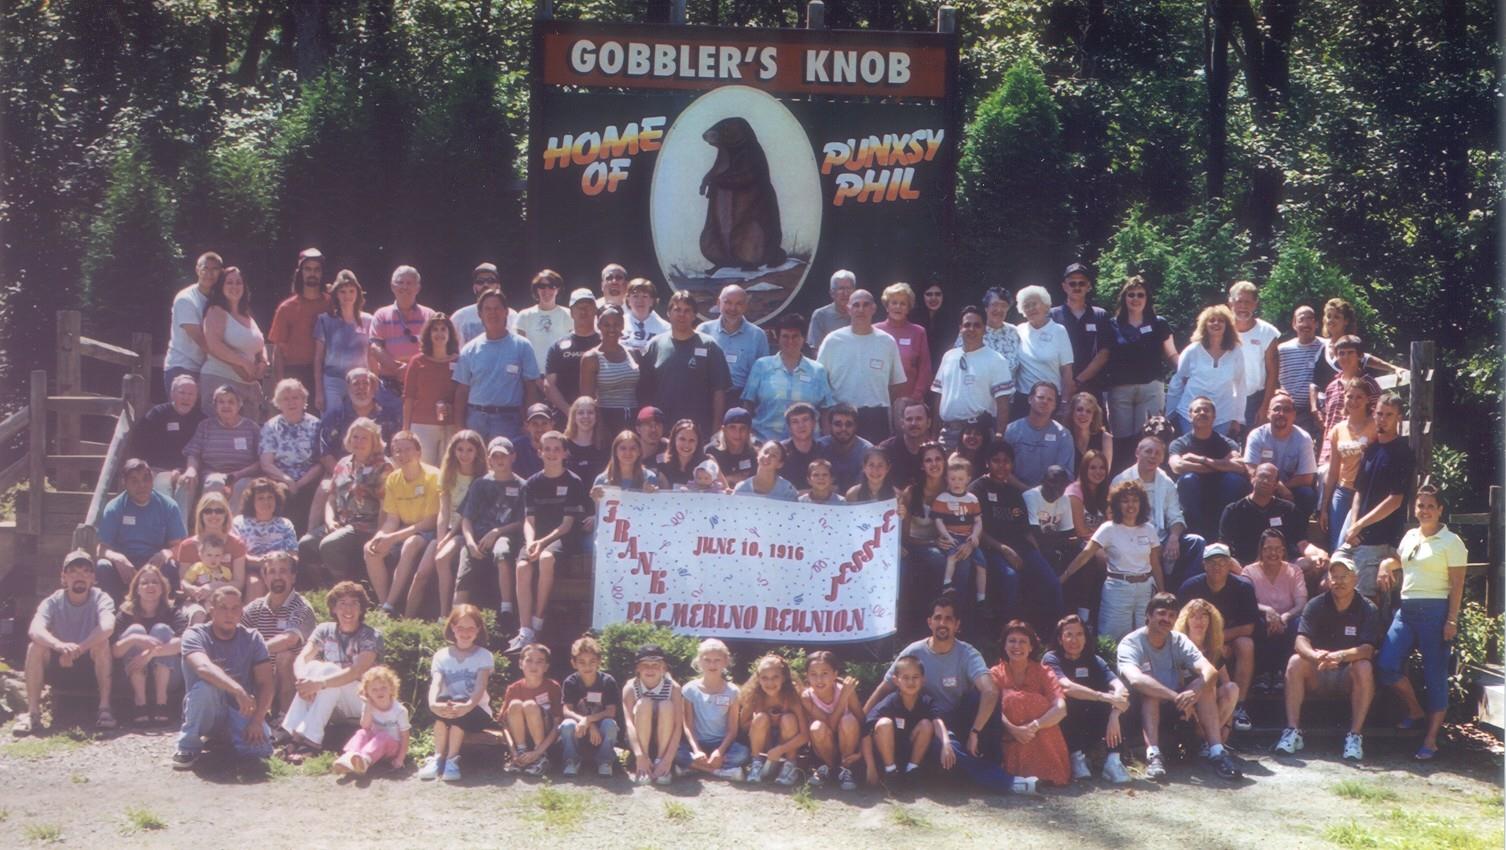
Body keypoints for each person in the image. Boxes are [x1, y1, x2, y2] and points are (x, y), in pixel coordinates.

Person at [864, 597, 1036, 795]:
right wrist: (862, 721)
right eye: (938, 618)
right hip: (930, 723)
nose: (942, 623)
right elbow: (884, 688)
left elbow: (990, 691)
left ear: (957, 624)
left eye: (948, 618)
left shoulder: (967, 653)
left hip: (962, 717)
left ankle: (992, 764)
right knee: (949, 750)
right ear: (930, 622)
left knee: (982, 698)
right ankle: (1008, 782)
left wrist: (975, 732)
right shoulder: (914, 651)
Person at [1377, 486, 1467, 760]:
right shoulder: (1410, 536)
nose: (1424, 511)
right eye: (1420, 506)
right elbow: (1402, 562)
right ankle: (1416, 711)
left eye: (1430, 506)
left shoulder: (1452, 542)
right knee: (1386, 665)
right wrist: (1385, 565)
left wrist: (1451, 619)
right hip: (1406, 610)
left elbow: (1457, 585)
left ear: (1440, 509)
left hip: (1435, 611)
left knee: (1435, 675)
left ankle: (1431, 739)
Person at [1116, 593, 1242, 780]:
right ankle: (1154, 755)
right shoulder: (1131, 642)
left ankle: (1216, 752)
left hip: (1177, 706)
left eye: (1171, 615)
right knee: (1150, 691)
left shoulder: (1179, 640)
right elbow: (1136, 680)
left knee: (1205, 686)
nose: (1166, 619)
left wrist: (1194, 692)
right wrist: (1175, 696)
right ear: (1148, 615)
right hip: (1139, 708)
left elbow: (1210, 671)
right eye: (1161, 613)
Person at [1274, 556, 1379, 761]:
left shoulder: (1368, 608)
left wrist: (1340, 656)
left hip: (1346, 674)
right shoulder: (1316, 604)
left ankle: (1355, 736)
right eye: (1335, 577)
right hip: (1318, 670)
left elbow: (1367, 649)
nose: (1339, 582)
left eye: (1345, 577)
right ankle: (1292, 731)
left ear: (1355, 579)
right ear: (1329, 580)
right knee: (1295, 662)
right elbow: (1300, 641)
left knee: (1364, 667)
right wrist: (1314, 656)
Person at [172, 586, 275, 768]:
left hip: (240, 709)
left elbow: (266, 682)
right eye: (223, 608)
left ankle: (224, 738)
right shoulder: (194, 634)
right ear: (212, 611)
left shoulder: (253, 638)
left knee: (261, 751)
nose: (230, 614)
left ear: (241, 611)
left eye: (235, 608)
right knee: (206, 687)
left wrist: (258, 720)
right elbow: (203, 667)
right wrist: (237, 690)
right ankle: (188, 746)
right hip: (207, 709)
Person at [17, 551, 117, 736]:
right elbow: (35, 629)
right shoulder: (53, 601)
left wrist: (79, 649)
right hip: (60, 663)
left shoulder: (101, 598)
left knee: (102, 644)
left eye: (86, 571)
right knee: (35, 647)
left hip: (89, 664)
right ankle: (32, 713)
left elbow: (107, 626)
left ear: (93, 578)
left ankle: (104, 709)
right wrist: (59, 646)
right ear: (64, 577)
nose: (80, 576)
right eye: (73, 571)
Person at [280, 581, 382, 759]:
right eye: (342, 603)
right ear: (334, 608)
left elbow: (356, 671)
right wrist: (304, 682)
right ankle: (296, 737)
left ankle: (310, 740)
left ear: (361, 609)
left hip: (362, 702)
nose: (348, 609)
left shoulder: (371, 636)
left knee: (327, 670)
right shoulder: (324, 630)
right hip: (331, 699)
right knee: (312, 667)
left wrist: (319, 684)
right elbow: (302, 658)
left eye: (354, 604)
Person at [973, 441, 1062, 633]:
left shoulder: (1014, 493)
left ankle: (1052, 635)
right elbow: (978, 531)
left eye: (1006, 461)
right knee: (1010, 577)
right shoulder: (978, 489)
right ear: (987, 463)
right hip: (991, 549)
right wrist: (1004, 550)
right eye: (996, 461)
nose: (1001, 466)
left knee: (1051, 581)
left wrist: (1038, 556)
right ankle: (1006, 634)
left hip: (1020, 547)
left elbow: (1026, 531)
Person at [1062, 480, 1165, 641]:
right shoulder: (1108, 528)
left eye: (1135, 500)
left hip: (1145, 590)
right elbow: (1085, 555)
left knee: (1145, 638)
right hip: (1118, 589)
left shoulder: (1149, 529)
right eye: (1125, 501)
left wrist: (1161, 591)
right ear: (1117, 504)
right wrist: (1064, 576)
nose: (1130, 505)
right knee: (1111, 639)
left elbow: (1156, 565)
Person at [516, 431, 590, 650]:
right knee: (522, 567)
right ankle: (525, 629)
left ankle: (538, 620)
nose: (552, 453)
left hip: (562, 539)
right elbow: (528, 520)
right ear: (539, 452)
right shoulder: (531, 483)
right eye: (547, 449)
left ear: (565, 453)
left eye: (557, 449)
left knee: (546, 558)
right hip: (536, 538)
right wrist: (530, 541)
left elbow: (566, 525)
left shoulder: (574, 481)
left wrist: (541, 543)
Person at [1177, 542, 1261, 733]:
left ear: (1230, 564)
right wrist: (1211, 642)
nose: (1217, 567)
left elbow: (1249, 626)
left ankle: (1239, 707)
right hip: (1195, 641)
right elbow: (1180, 625)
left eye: (1223, 562)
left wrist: (1217, 639)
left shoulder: (1243, 587)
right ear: (1204, 565)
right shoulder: (1190, 587)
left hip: (1227, 638)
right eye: (1212, 562)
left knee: (1246, 644)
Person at [1338, 393, 1413, 602]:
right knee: (1331, 578)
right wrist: (1353, 527)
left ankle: (1370, 635)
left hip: (1380, 539)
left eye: (1389, 415)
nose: (1383, 419)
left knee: (1364, 598)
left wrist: (1360, 525)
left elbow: (1395, 500)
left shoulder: (1402, 452)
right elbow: (1359, 491)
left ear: (1399, 418)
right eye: (1379, 414)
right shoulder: (1371, 449)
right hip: (1356, 537)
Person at [297, 418, 391, 584]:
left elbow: (386, 506)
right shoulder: (343, 463)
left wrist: (379, 534)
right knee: (305, 544)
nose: (359, 442)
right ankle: (320, 585)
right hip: (340, 522)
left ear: (374, 442)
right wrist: (329, 520)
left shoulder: (383, 467)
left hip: (366, 526)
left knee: (330, 545)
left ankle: (344, 585)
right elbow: (331, 497)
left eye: (364, 438)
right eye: (355, 437)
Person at [1042, 614, 1131, 783]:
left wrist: (1114, 714)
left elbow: (1121, 687)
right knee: (1068, 701)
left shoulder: (1094, 659)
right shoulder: (1051, 658)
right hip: (1064, 720)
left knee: (1120, 703)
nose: (1074, 640)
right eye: (1069, 635)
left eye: (1079, 634)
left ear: (1085, 637)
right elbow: (1066, 686)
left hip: (1091, 720)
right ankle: (1076, 757)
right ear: (1060, 639)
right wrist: (1104, 697)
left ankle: (1113, 761)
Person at [405, 429, 484, 619]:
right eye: (460, 450)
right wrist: (441, 537)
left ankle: (444, 616)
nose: (464, 455)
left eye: (469, 450)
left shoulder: (480, 478)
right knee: (421, 573)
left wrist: (447, 539)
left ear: (477, 452)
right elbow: (444, 510)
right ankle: (406, 619)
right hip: (445, 529)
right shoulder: (449, 473)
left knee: (442, 558)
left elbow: (467, 514)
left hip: (465, 531)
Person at [1112, 435, 1205, 586]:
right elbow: (1114, 519)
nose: (1153, 456)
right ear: (1137, 453)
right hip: (1132, 539)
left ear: (1162, 458)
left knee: (1196, 543)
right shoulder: (1122, 480)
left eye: (1158, 453)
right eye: (1148, 451)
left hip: (1162, 539)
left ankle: (1183, 594)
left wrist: (1174, 537)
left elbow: (1175, 516)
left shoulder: (1166, 482)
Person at [364, 430, 439, 615]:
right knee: (370, 549)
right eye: (397, 451)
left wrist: (394, 537)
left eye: (407, 450)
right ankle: (384, 604)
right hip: (404, 528)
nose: (402, 455)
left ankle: (391, 604)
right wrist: (381, 535)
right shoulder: (393, 479)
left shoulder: (433, 476)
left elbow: (430, 522)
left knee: (410, 544)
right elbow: (392, 519)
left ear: (418, 452)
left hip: (428, 530)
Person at [453, 290, 543, 445]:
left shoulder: (522, 346)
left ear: (506, 312)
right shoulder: (469, 349)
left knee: (504, 467)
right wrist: (459, 427)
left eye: (497, 308)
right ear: (480, 314)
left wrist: (529, 423)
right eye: (487, 309)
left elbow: (531, 388)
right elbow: (461, 391)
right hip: (476, 420)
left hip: (508, 420)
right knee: (476, 468)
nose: (492, 313)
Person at [638, 290, 732, 437]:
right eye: (677, 310)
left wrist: (716, 428)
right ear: (668, 313)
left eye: (687, 311)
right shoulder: (655, 345)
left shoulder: (709, 345)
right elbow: (645, 391)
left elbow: (719, 391)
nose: (682, 314)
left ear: (694, 315)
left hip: (699, 430)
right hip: (662, 430)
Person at [817, 288, 906, 443]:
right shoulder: (832, 341)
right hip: (842, 417)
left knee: (876, 465)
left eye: (866, 305)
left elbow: (895, 385)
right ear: (848, 309)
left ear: (874, 309)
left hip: (877, 417)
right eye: (856, 305)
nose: (861, 309)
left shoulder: (887, 342)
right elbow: (820, 382)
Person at [454, 436, 526, 624]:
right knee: (465, 561)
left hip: (506, 536)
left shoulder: (522, 486)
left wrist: (497, 532)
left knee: (502, 550)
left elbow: (522, 521)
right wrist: (469, 542)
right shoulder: (479, 484)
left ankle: (506, 609)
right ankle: (454, 616)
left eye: (504, 456)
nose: (499, 460)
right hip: (478, 537)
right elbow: (467, 518)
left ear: (513, 457)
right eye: (495, 457)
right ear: (489, 459)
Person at [418, 605, 495, 782]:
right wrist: (433, 704)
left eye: (470, 628)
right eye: (460, 627)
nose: (465, 632)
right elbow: (436, 683)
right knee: (443, 700)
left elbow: (480, 687)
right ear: (453, 628)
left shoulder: (484, 655)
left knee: (459, 700)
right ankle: (438, 758)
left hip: (477, 711)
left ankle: (452, 760)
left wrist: (467, 706)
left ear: (478, 630)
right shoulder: (441, 655)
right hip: (449, 708)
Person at [95, 458, 188, 603]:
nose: (142, 485)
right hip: (125, 567)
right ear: (124, 483)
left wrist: (165, 553)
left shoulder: (168, 506)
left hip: (154, 564)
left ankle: (164, 613)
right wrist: (116, 558)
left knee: (171, 565)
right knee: (103, 566)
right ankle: (114, 614)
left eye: (146, 478)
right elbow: (101, 549)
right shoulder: (114, 507)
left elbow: (179, 546)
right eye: (134, 481)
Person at [991, 620, 1070, 787]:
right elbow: (989, 708)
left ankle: (1045, 772)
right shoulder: (995, 673)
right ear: (1004, 645)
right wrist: (1013, 729)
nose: (1016, 646)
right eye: (1012, 641)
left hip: (1040, 735)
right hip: (1009, 735)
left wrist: (1034, 726)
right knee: (1013, 700)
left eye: (1022, 642)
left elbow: (1061, 708)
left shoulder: (1044, 671)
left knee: (1037, 704)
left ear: (1031, 647)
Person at [239, 552, 315, 718]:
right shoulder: (255, 608)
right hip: (263, 677)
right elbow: (235, 634)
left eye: (283, 571)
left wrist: (255, 651)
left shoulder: (302, 607)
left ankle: (285, 718)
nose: (277, 576)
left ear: (293, 577)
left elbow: (289, 640)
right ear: (264, 577)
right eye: (272, 572)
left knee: (284, 656)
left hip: (295, 681)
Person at [1102, 276, 1178, 443]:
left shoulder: (1159, 324)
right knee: (1121, 443)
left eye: (1140, 294)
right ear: (1124, 298)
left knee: (1149, 440)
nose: (1135, 298)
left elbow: (1171, 355)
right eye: (1131, 294)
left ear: (1147, 298)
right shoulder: (1112, 325)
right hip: (1120, 392)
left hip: (1151, 389)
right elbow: (1103, 357)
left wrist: (1186, 374)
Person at [111, 565, 188, 726]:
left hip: (169, 677)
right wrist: (134, 638)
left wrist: (150, 655)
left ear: (162, 588)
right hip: (131, 674)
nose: (150, 586)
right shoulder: (125, 614)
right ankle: (140, 704)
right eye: (144, 583)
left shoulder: (172, 612)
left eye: (155, 582)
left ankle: (162, 703)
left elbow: (184, 643)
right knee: (135, 629)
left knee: (161, 629)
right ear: (136, 589)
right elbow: (116, 652)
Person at [742, 312, 835, 442]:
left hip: (807, 446)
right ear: (778, 338)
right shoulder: (761, 366)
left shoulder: (817, 370)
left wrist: (826, 442)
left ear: (803, 338)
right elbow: (748, 404)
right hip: (765, 444)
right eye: (785, 336)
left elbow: (825, 410)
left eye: (795, 336)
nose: (790, 341)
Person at [1168, 396, 1250, 538]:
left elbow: (1239, 467)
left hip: (1221, 492)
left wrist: (1200, 459)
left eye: (1206, 410)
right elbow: (1177, 466)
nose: (1202, 413)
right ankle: (1196, 533)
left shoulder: (1228, 443)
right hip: (1193, 494)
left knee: (1234, 480)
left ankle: (1224, 532)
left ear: (1214, 416)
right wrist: (1220, 465)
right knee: (1188, 479)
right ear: (1190, 416)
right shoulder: (1179, 443)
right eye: (1197, 410)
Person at [933, 305, 1011, 449]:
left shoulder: (996, 360)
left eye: (977, 325)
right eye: (967, 325)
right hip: (948, 433)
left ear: (984, 329)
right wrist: (933, 434)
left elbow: (1003, 403)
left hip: (979, 433)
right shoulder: (949, 356)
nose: (971, 329)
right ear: (960, 328)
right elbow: (939, 395)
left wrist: (999, 435)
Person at [861, 653, 942, 789]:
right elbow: (865, 730)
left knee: (926, 724)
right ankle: (891, 773)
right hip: (887, 753)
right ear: (896, 680)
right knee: (884, 723)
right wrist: (870, 766)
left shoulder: (926, 701)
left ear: (923, 680)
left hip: (910, 751)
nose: (911, 682)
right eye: (905, 678)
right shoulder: (889, 702)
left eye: (915, 677)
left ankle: (912, 770)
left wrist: (946, 743)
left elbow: (938, 722)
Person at [133, 373, 205, 521]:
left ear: (196, 397)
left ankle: (179, 536)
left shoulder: (202, 420)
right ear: (172, 394)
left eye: (191, 394)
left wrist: (180, 470)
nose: (186, 397)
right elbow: (140, 444)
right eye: (182, 393)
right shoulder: (158, 414)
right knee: (163, 486)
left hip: (188, 471)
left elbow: (203, 452)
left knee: (185, 486)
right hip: (158, 469)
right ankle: (163, 536)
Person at [676, 638, 749, 781]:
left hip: (721, 744)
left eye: (717, 660)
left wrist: (719, 751)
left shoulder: (732, 691)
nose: (712, 664)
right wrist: (696, 750)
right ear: (699, 662)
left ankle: (692, 767)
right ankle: (718, 771)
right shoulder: (690, 689)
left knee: (743, 754)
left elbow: (732, 729)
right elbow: (688, 726)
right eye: (707, 660)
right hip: (696, 743)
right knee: (675, 751)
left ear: (725, 662)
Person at [1243, 529, 1309, 688]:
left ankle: (1282, 673)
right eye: (1268, 548)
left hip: (1288, 618)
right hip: (1262, 618)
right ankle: (1262, 674)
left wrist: (1284, 616)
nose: (1274, 553)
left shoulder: (1294, 571)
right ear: (1261, 550)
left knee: (1298, 623)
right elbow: (1247, 603)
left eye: (1278, 548)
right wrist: (1268, 611)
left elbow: (1301, 603)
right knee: (1256, 624)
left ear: (1284, 550)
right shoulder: (1248, 572)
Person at [1167, 304, 1245, 437]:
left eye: (1221, 320)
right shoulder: (1192, 350)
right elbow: (1178, 381)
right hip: (1190, 415)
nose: (1216, 323)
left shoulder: (1236, 351)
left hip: (1222, 416)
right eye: (1212, 320)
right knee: (1190, 454)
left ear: (1228, 325)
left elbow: (1240, 385)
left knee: (1217, 456)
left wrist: (1237, 418)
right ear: (1204, 325)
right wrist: (1169, 414)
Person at [1173, 599, 1242, 749]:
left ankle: (1209, 740)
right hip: (1186, 707)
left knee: (1232, 688)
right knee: (1207, 684)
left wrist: (1228, 726)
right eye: (1193, 616)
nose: (1199, 620)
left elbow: (1228, 686)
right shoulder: (1178, 648)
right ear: (1186, 620)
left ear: (1211, 620)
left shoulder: (1215, 650)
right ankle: (1210, 741)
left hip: (1212, 707)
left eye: (1204, 615)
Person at [1241, 390, 1318, 523]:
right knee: (1238, 484)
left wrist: (1281, 487)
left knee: (1306, 494)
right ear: (1268, 413)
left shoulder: (1304, 438)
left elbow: (1306, 478)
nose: (1281, 414)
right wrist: (1278, 487)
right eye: (1276, 409)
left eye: (1287, 410)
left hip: (1290, 488)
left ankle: (1298, 536)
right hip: (1261, 485)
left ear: (1294, 415)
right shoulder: (1257, 435)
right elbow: (1251, 468)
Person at [1319, 377, 1377, 551]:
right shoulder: (1338, 429)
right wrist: (1324, 506)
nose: (1354, 401)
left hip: (1365, 492)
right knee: (1337, 545)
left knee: (1356, 544)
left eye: (1359, 397)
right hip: (1342, 492)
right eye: (1350, 396)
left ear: (1367, 399)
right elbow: (1333, 470)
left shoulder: (1375, 426)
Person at [182, 384, 263, 509]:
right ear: (215, 406)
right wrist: (191, 469)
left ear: (239, 404)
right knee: (215, 482)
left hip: (243, 475)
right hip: (213, 473)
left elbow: (261, 461)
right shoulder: (205, 426)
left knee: (241, 486)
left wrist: (238, 474)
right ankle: (210, 524)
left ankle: (233, 527)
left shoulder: (252, 428)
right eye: (221, 402)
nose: (226, 406)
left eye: (231, 402)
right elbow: (193, 452)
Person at [258, 379, 322, 534]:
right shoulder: (271, 426)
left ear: (304, 400)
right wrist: (287, 480)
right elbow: (266, 463)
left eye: (295, 398)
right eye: (285, 399)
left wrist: (299, 483)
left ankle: (308, 542)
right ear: (278, 403)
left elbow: (320, 463)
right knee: (280, 493)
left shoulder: (316, 425)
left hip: (310, 478)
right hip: (280, 479)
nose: (291, 402)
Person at [740, 654, 810, 786]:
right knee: (760, 718)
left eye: (775, 677)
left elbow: (805, 735)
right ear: (758, 679)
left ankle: (790, 765)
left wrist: (780, 749)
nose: (770, 683)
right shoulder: (754, 696)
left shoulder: (793, 696)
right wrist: (767, 721)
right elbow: (743, 725)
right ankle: (757, 762)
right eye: (764, 678)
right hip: (764, 742)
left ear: (783, 678)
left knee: (788, 719)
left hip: (787, 744)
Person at [316, 368, 402, 475]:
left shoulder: (388, 415)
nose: (361, 388)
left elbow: (397, 448)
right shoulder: (335, 416)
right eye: (356, 384)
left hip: (381, 475)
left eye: (365, 383)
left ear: (372, 388)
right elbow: (325, 453)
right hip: (343, 474)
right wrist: (343, 476)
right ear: (348, 388)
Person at [313, 270, 376, 414]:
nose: (347, 296)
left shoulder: (368, 321)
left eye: (351, 291)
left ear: (358, 293)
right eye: (343, 291)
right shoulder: (324, 320)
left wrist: (373, 386)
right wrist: (319, 391)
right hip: (333, 382)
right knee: (332, 423)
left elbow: (371, 357)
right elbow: (318, 359)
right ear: (336, 294)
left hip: (361, 382)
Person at [622, 644, 685, 785]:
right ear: (637, 668)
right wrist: (640, 755)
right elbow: (629, 724)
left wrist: (667, 760)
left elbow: (678, 726)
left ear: (663, 668)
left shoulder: (674, 688)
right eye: (645, 665)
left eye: (655, 665)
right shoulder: (630, 687)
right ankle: (643, 765)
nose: (650, 669)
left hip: (663, 742)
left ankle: (660, 763)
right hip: (639, 742)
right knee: (644, 703)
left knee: (666, 705)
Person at [402, 313, 460, 465]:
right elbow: (408, 397)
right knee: (423, 468)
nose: (439, 333)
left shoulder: (459, 361)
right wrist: (405, 430)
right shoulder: (417, 362)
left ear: (450, 334)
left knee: (447, 470)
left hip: (450, 425)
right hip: (422, 425)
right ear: (429, 333)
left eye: (443, 329)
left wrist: (451, 408)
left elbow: (463, 394)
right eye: (435, 329)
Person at [268, 248, 331, 389]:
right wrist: (280, 385)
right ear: (300, 273)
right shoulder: (286, 308)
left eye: (317, 269)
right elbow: (277, 352)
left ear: (322, 273)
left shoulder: (331, 304)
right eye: (307, 269)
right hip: (295, 373)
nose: (312, 273)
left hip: (326, 372)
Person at [559, 635, 621, 777]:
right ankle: (571, 760)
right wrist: (587, 722)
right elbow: (566, 710)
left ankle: (605, 761)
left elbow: (611, 711)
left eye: (592, 661)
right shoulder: (571, 682)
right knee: (567, 724)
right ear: (574, 663)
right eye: (582, 662)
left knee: (610, 724)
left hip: (601, 731)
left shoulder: (607, 681)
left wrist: (589, 720)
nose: (587, 666)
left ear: (599, 661)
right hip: (579, 729)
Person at [697, 284, 769, 405]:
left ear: (745, 306)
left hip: (741, 400)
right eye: (728, 302)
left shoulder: (758, 336)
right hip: (707, 397)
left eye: (739, 304)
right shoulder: (703, 330)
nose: (733, 308)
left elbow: (762, 376)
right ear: (718, 303)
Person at [332, 665, 410, 777]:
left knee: (382, 736)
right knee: (361, 732)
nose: (379, 692)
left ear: (392, 688)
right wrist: (368, 707)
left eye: (383, 687)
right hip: (374, 745)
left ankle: (364, 761)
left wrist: (400, 758)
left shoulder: (399, 711)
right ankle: (349, 758)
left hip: (392, 748)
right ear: (367, 692)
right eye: (374, 689)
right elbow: (365, 726)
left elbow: (405, 736)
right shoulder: (369, 705)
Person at [801, 650, 863, 790]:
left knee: (848, 720)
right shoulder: (807, 697)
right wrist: (843, 698)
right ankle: (829, 768)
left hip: (849, 740)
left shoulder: (845, 690)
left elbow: (862, 720)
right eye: (813, 674)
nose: (819, 679)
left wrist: (862, 752)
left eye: (825, 673)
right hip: (824, 745)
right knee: (816, 727)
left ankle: (845, 769)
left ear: (835, 674)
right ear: (807, 676)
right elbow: (831, 726)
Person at [163, 251, 224, 395]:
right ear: (197, 270)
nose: (209, 273)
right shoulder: (185, 299)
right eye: (205, 268)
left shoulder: (218, 300)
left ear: (221, 272)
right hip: (181, 368)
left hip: (205, 369)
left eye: (214, 269)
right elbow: (201, 340)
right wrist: (235, 364)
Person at [501, 643, 564, 777]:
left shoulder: (552, 687)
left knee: (530, 704)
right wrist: (513, 752)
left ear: (546, 667)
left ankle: (541, 759)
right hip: (520, 738)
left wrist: (538, 752)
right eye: (529, 660)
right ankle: (521, 753)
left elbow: (557, 723)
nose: (533, 666)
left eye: (539, 661)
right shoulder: (514, 689)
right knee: (516, 704)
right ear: (520, 664)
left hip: (543, 739)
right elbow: (504, 725)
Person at [175, 491, 246, 608]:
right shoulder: (187, 546)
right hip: (195, 600)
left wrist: (215, 586)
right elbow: (183, 581)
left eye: (219, 511)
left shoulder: (237, 544)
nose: (214, 515)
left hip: (226, 600)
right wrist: (193, 590)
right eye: (208, 511)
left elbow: (239, 583)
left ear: (226, 515)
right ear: (200, 515)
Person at [369, 265, 434, 393]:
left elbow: (435, 348)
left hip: (421, 381)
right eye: (400, 283)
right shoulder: (381, 315)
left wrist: (412, 370)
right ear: (392, 287)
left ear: (418, 288)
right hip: (389, 383)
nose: (405, 287)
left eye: (409, 283)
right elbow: (375, 348)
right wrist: (398, 369)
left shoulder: (430, 315)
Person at [1013, 285, 1075, 420]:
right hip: (1024, 399)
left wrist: (1064, 402)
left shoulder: (1059, 331)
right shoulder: (1018, 330)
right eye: (1026, 305)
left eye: (1034, 304)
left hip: (1050, 400)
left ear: (1046, 306)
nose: (1031, 308)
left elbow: (1067, 370)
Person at [875, 282, 934, 423]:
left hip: (910, 401)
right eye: (894, 303)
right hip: (879, 400)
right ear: (887, 306)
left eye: (903, 304)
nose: (898, 307)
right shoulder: (875, 331)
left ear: (909, 308)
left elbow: (925, 368)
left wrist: (915, 397)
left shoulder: (918, 332)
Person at [1051, 263, 1111, 397]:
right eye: (1072, 284)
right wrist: (1067, 383)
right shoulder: (1052, 315)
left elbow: (1104, 352)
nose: (1077, 287)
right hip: (1058, 386)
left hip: (1092, 385)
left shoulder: (1100, 315)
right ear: (1064, 287)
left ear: (1089, 286)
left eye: (1081, 283)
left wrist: (1078, 381)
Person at [1316, 336, 1384, 453]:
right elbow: (1329, 422)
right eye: (1341, 353)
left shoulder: (1369, 384)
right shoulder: (1331, 387)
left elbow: (1376, 419)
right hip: (1330, 450)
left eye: (1350, 353)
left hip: (1358, 449)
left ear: (1360, 356)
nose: (1345, 357)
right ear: (1336, 357)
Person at [1228, 281, 1281, 427]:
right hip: (1224, 399)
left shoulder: (1267, 332)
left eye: (1248, 302)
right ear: (1230, 303)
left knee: (1255, 447)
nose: (1243, 306)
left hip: (1256, 400)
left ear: (1255, 304)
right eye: (1239, 301)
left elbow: (1273, 373)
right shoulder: (1221, 330)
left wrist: (1265, 408)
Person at [579, 305, 640, 434]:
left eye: (616, 324)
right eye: (606, 325)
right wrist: (599, 428)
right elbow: (587, 400)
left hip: (634, 417)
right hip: (606, 419)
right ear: (599, 326)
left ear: (622, 325)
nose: (612, 329)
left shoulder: (632, 353)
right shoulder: (591, 358)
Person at [933, 457, 986, 603]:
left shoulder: (972, 499)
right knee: (953, 557)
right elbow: (938, 520)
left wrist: (975, 535)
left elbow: (978, 520)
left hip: (969, 537)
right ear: (947, 479)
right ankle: (947, 584)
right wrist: (946, 535)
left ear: (968, 479)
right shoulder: (942, 498)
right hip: (952, 535)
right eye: (953, 479)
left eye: (961, 479)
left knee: (982, 565)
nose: (957, 482)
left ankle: (981, 597)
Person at [232, 479, 298, 595]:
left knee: (277, 580)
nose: (266, 502)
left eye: (270, 497)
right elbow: (237, 555)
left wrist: (276, 563)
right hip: (251, 569)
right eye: (261, 498)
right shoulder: (239, 523)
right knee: (255, 584)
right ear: (252, 502)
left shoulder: (285, 523)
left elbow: (293, 555)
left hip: (279, 569)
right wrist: (259, 562)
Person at [1004, 382, 1076, 487]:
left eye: (1050, 399)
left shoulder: (1063, 435)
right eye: (1040, 397)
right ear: (1030, 399)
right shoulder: (1012, 430)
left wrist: (1040, 495)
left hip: (1049, 496)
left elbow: (1066, 474)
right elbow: (1002, 469)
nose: (1045, 401)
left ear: (1055, 405)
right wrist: (1027, 492)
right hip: (1015, 492)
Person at [954, 286, 1021, 397]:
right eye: (994, 305)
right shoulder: (972, 330)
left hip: (1007, 401)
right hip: (977, 400)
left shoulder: (1014, 332)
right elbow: (957, 362)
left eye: (1003, 306)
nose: (999, 310)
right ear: (986, 308)